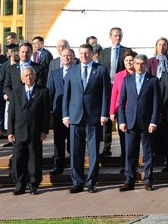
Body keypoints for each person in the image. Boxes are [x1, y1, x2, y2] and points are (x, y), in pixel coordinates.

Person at [63, 43, 110, 193]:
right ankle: (77, 182)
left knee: (94, 152)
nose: (84, 56)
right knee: (75, 151)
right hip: (75, 117)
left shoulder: (101, 70)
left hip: (93, 117)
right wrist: (65, 115)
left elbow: (105, 94)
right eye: (81, 53)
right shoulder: (72, 70)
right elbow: (66, 95)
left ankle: (91, 182)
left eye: (86, 53)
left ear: (92, 54)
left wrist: (104, 113)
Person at [118, 53, 160, 192]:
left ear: (146, 65)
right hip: (130, 122)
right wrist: (122, 120)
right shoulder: (127, 80)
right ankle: (129, 180)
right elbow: (122, 101)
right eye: (137, 63)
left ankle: (148, 180)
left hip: (147, 123)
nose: (140, 66)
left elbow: (156, 104)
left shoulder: (153, 81)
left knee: (148, 153)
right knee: (130, 153)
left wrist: (154, 122)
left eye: (142, 64)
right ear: (134, 65)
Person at [8, 66, 50, 195]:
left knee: (34, 158)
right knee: (18, 159)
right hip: (19, 131)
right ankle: (20, 184)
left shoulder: (42, 91)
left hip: (35, 131)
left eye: (31, 75)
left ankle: (33, 184)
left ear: (35, 76)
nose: (29, 78)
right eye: (26, 75)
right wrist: (10, 131)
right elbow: (11, 114)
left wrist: (44, 130)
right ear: (21, 78)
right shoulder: (16, 92)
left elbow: (45, 113)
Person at [98, 26, 130, 157]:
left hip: (122, 87)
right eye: (115, 35)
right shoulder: (104, 52)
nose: (118, 37)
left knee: (121, 116)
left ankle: (125, 149)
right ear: (110, 37)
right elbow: (100, 70)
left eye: (119, 35)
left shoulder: (127, 51)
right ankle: (107, 146)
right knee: (106, 116)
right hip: (107, 86)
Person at [46, 46, 74, 175]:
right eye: (64, 55)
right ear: (60, 57)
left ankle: (75, 165)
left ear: (73, 57)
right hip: (58, 113)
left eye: (69, 55)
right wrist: (49, 110)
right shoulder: (54, 73)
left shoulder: (77, 71)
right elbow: (50, 93)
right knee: (58, 141)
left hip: (74, 112)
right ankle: (58, 166)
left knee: (73, 141)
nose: (67, 57)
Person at [109, 50, 136, 169]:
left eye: (131, 60)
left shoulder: (139, 74)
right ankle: (125, 165)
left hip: (136, 111)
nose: (129, 62)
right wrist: (111, 111)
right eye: (126, 60)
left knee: (134, 140)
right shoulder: (119, 76)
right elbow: (114, 94)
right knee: (124, 140)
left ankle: (133, 165)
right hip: (123, 112)